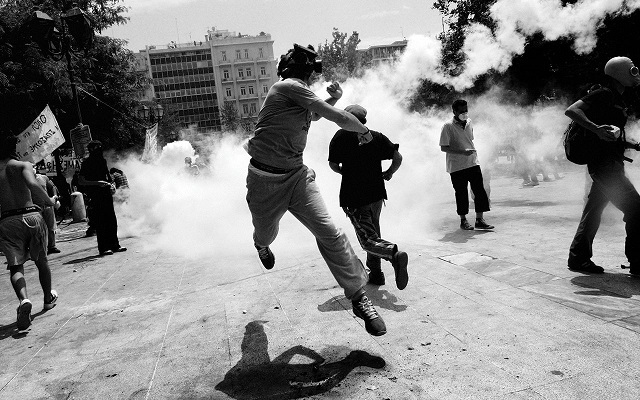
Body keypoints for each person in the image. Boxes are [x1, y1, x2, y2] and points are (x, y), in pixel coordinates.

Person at [245, 43, 386, 336]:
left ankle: (359, 297)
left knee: (330, 232)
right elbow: (333, 116)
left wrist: (331, 98)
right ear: (307, 70)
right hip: (264, 180)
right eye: (311, 71)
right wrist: (364, 132)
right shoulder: (286, 87)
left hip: (297, 176)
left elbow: (316, 114)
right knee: (266, 232)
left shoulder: (295, 93)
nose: (310, 76)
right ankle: (261, 245)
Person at [566, 56, 640, 275]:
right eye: (632, 70)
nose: (636, 74)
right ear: (619, 73)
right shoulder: (604, 93)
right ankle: (638, 262)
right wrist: (596, 128)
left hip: (609, 164)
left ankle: (578, 258)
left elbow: (610, 135)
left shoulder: (617, 97)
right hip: (605, 167)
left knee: (593, 211)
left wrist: (632, 145)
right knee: (636, 210)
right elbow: (572, 110)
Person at [328, 104, 409, 290]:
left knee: (367, 240)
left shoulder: (340, 136)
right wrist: (389, 173)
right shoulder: (377, 136)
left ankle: (393, 254)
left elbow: (333, 164)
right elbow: (398, 158)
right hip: (377, 194)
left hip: (354, 196)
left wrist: (344, 172)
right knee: (373, 233)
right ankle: (376, 273)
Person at [0, 135, 59, 330]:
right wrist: (50, 201)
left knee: (16, 267)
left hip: (8, 221)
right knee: (42, 261)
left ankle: (24, 300)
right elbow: (33, 185)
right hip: (31, 216)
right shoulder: (22, 165)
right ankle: (48, 299)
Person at [439, 99, 494, 231]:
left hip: (473, 163)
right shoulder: (447, 126)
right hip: (457, 167)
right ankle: (463, 220)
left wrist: (469, 152)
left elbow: (469, 140)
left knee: (479, 191)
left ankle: (479, 219)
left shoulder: (469, 123)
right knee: (461, 193)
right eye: (461, 111)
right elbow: (443, 147)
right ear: (454, 112)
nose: (464, 113)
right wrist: (462, 152)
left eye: (466, 110)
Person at [79, 141, 126, 256]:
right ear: (91, 150)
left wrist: (112, 185)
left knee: (111, 220)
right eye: (96, 148)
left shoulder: (102, 161)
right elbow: (81, 181)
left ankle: (115, 245)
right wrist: (97, 183)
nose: (99, 151)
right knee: (101, 222)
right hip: (95, 195)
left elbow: (108, 177)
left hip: (106, 194)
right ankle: (104, 248)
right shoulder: (86, 163)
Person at [33, 162, 61, 254]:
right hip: (35, 208)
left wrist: (55, 196)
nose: (32, 169)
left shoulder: (43, 177)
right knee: (38, 229)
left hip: (48, 205)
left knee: (51, 226)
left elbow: (52, 186)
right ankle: (40, 248)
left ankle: (52, 246)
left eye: (33, 167)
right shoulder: (25, 180)